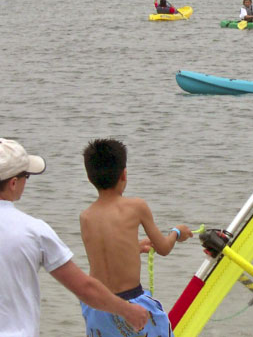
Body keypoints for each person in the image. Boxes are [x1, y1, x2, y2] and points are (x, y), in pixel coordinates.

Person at [0, 138, 149, 337]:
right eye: (26, 177)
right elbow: (85, 288)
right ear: (13, 183)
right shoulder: (33, 231)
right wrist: (127, 311)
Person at [80, 138, 194, 337]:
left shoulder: (86, 216)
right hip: (131, 303)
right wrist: (176, 233)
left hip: (97, 305)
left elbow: (104, 256)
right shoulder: (136, 206)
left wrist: (135, 247)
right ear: (124, 174)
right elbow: (163, 249)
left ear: (89, 178)